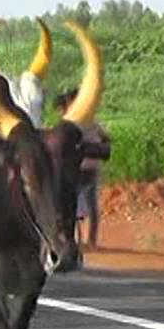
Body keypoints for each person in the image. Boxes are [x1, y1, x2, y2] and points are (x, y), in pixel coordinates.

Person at [57, 88, 109, 249]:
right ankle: (89, 240)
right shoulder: (91, 121)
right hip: (88, 167)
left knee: (70, 203)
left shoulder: (72, 122)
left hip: (78, 168)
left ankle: (73, 239)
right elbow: (106, 139)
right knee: (88, 205)